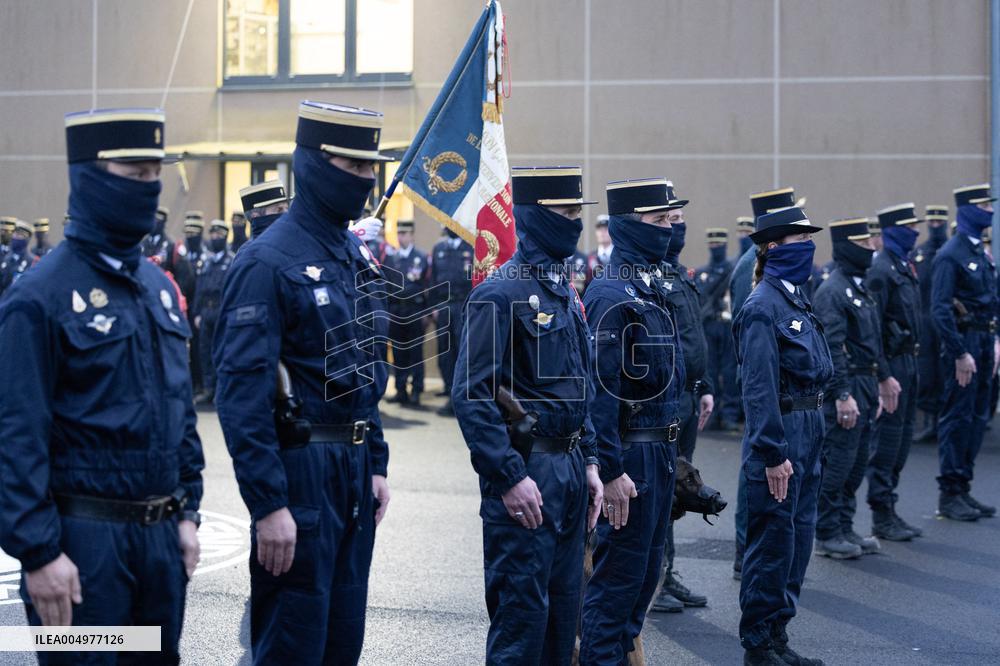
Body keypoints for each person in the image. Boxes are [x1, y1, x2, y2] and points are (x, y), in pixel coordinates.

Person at [0, 107, 204, 663]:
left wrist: (187, 513)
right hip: (84, 552)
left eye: (154, 174)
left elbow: (178, 413)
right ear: (91, 175)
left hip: (159, 545)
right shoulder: (38, 297)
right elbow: (15, 435)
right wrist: (39, 554)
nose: (150, 187)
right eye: (135, 175)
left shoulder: (158, 287)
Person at [214, 101, 392, 664]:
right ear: (314, 163)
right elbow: (242, 398)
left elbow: (361, 372)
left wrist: (378, 459)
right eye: (354, 167)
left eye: (372, 169)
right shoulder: (266, 260)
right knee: (293, 641)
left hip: (354, 473)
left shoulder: (355, 257)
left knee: (343, 641)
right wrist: (268, 505)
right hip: (301, 475)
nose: (366, 180)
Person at [452, 165, 603, 665]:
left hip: (570, 471)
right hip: (528, 475)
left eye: (577, 213)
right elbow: (472, 395)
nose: (575, 223)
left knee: (564, 621)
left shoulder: (564, 292)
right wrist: (509, 475)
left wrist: (591, 463)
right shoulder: (500, 292)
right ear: (535, 217)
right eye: (564, 213)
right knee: (522, 622)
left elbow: (581, 387)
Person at [580, 177, 684, 665]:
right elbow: (601, 393)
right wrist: (612, 468)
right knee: (617, 584)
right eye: (660, 221)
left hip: (658, 452)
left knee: (644, 581)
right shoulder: (610, 293)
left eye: (670, 221)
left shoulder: (650, 287)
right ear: (628, 225)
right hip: (633, 457)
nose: (669, 230)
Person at [733, 205, 831, 666]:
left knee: (799, 542)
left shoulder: (795, 299)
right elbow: (758, 389)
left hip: (810, 428)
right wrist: (772, 452)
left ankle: (777, 636)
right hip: (783, 434)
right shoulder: (761, 307)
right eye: (799, 241)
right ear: (773, 248)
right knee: (773, 543)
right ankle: (757, 643)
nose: (809, 248)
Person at [728, 186, 799, 582]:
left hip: (775, 379)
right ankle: (744, 547)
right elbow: (749, 330)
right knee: (754, 469)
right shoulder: (748, 270)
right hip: (760, 377)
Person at [650, 182, 713, 614]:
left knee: (677, 491)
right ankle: (655, 579)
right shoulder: (647, 277)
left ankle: (666, 573)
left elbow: (691, 338)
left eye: (679, 219)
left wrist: (703, 385)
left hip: (689, 398)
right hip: (666, 402)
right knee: (660, 493)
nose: (678, 227)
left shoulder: (679, 274)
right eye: (669, 220)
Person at [812, 218, 882, 559]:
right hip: (848, 385)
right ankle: (827, 532)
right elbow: (832, 347)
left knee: (857, 463)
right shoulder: (833, 291)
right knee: (838, 462)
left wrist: (883, 380)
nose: (872, 248)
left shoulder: (860, 286)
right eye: (865, 243)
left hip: (866, 384)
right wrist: (842, 394)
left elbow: (871, 341)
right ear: (848, 247)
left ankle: (845, 525)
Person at [930, 183, 998, 521]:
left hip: (984, 342)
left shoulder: (979, 252)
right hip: (965, 344)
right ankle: (949, 493)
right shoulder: (950, 254)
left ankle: (964, 488)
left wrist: (995, 340)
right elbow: (940, 309)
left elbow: (992, 299)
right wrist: (959, 352)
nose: (991, 210)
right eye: (984, 205)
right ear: (968, 209)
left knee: (977, 417)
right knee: (957, 417)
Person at [865, 203, 924, 539]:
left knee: (902, 442)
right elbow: (873, 329)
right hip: (892, 365)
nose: (915, 232)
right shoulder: (882, 270)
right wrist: (883, 375)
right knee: (887, 441)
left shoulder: (903, 266)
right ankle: (881, 514)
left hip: (909, 361)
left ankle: (891, 506)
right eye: (909, 226)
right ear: (893, 231)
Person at [381, 219, 431, 408]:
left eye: (405, 233)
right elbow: (385, 284)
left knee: (416, 352)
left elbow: (427, 285)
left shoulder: (421, 256)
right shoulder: (390, 258)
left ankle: (416, 390)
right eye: (399, 233)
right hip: (395, 310)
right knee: (398, 352)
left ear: (412, 235)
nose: (401, 237)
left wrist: (427, 312)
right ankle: (400, 389)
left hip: (415, 310)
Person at [913, 205, 950, 443]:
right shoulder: (920, 254)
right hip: (925, 321)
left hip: (946, 320)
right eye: (932, 223)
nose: (935, 226)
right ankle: (928, 421)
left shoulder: (949, 252)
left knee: (946, 372)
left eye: (939, 223)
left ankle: (944, 421)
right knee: (927, 371)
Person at [698, 228, 739, 430]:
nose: (715, 248)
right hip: (709, 324)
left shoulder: (732, 270)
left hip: (727, 325)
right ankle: (712, 414)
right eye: (712, 245)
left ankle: (730, 414)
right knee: (711, 370)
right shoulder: (702, 272)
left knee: (730, 371)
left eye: (718, 245)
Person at [430, 225, 474, 415]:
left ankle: (461, 398)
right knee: (445, 353)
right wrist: (433, 307)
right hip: (444, 307)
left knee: (462, 353)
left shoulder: (471, 248)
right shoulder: (439, 249)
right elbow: (432, 280)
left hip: (464, 307)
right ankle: (450, 393)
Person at [191, 218, 234, 406]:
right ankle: (209, 389)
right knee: (205, 351)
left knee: (222, 351)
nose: (215, 238)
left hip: (221, 310)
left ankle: (221, 390)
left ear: (225, 237)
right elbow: (199, 289)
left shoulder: (231, 260)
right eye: (213, 235)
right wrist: (197, 313)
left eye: (219, 235)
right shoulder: (206, 262)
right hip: (206, 312)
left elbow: (231, 289)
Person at [141, 205, 196, 301]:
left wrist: (175, 297)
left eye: (157, 221)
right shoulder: (142, 245)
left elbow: (185, 277)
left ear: (163, 223)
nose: (153, 223)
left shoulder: (172, 246)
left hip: (164, 298)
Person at [239, 178, 291, 243]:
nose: (286, 213)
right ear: (256, 216)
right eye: (279, 209)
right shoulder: (253, 251)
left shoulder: (286, 242)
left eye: (287, 208)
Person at [0, 219, 38, 295]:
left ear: (27, 239)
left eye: (19, 235)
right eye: (14, 234)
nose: (15, 237)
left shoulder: (33, 261)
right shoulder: (5, 258)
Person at [585, 214, 613, 289]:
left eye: (606, 229)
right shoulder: (589, 257)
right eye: (599, 229)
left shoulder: (619, 256)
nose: (602, 233)